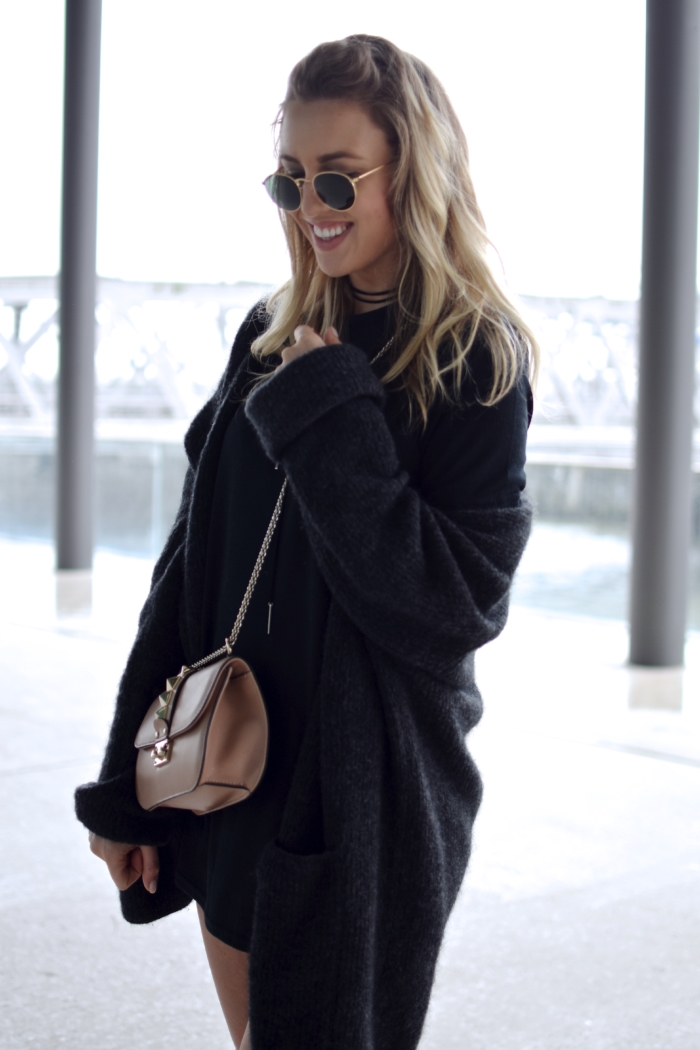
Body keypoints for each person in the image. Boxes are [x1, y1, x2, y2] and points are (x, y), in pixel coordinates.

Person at [76, 34, 537, 1050]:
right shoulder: (267, 334)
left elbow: (454, 605)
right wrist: (129, 785)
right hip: (225, 766)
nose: (311, 208)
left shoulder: (472, 357)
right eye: (289, 181)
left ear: (412, 173)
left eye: (336, 178)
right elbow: (190, 572)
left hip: (357, 800)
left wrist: (331, 417)